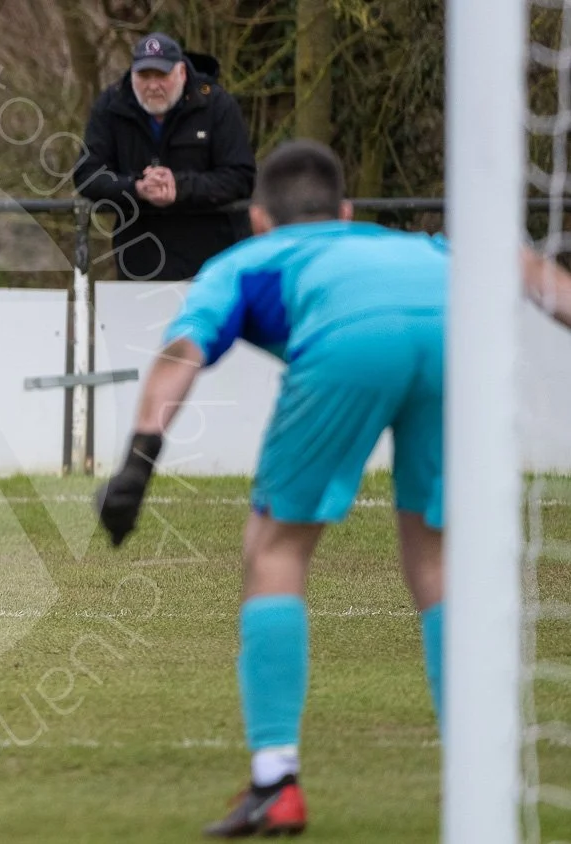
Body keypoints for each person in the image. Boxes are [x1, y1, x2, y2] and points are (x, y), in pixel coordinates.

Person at [93, 140, 445, 837]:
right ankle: (477, 776)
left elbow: (181, 355)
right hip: (455, 324)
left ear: (259, 219)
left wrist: (138, 465)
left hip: (348, 342)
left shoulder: (249, 259)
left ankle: (275, 780)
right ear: (345, 211)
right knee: (437, 559)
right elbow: (530, 274)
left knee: (275, 549)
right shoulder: (420, 246)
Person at [73, 32, 256, 281]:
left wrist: (179, 188)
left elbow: (240, 177)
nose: (152, 85)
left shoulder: (216, 104)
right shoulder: (111, 105)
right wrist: (136, 187)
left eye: (161, 75)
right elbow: (87, 175)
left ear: (181, 72)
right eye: (144, 76)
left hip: (214, 265)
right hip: (139, 265)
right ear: (132, 74)